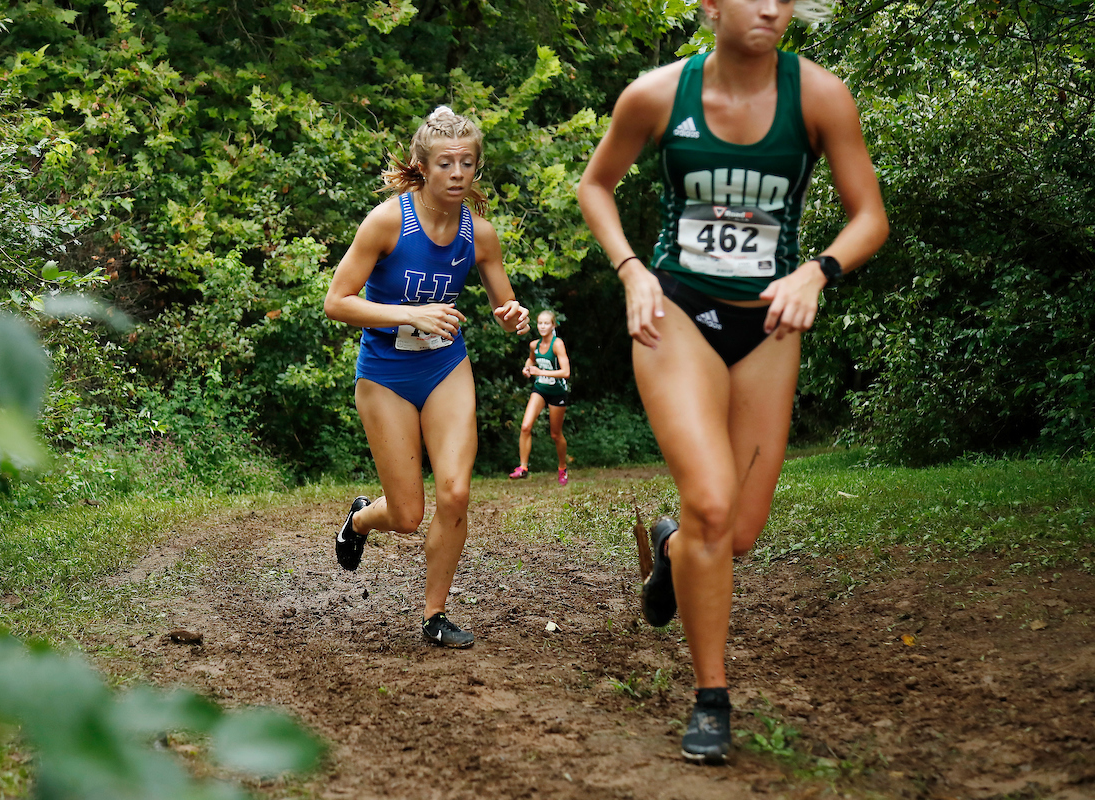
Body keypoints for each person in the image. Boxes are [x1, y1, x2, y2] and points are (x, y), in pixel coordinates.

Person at [577, 0, 888, 763]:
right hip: (674, 311)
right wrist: (630, 272)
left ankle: (674, 548)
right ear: (710, 5)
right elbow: (596, 186)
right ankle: (711, 700)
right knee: (713, 501)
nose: (774, 7)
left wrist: (818, 272)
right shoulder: (656, 95)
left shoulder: (818, 95)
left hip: (772, 320)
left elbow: (869, 216)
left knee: (736, 533)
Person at [324, 106, 530, 649]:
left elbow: (503, 304)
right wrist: (409, 312)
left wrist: (513, 316)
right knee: (409, 514)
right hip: (386, 375)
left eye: (467, 163)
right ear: (422, 166)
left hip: (445, 367)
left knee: (456, 491)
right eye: (446, 163)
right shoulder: (389, 221)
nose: (457, 173)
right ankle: (360, 522)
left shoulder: (480, 235)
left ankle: (435, 614)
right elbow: (337, 302)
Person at [508, 310, 572, 484]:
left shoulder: (557, 344)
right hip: (540, 389)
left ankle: (562, 467)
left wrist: (540, 371)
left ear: (553, 326)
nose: (543, 326)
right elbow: (531, 360)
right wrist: (527, 368)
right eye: (540, 323)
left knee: (555, 434)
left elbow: (566, 372)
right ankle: (523, 467)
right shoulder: (534, 345)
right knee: (525, 426)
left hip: (557, 392)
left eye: (546, 323)